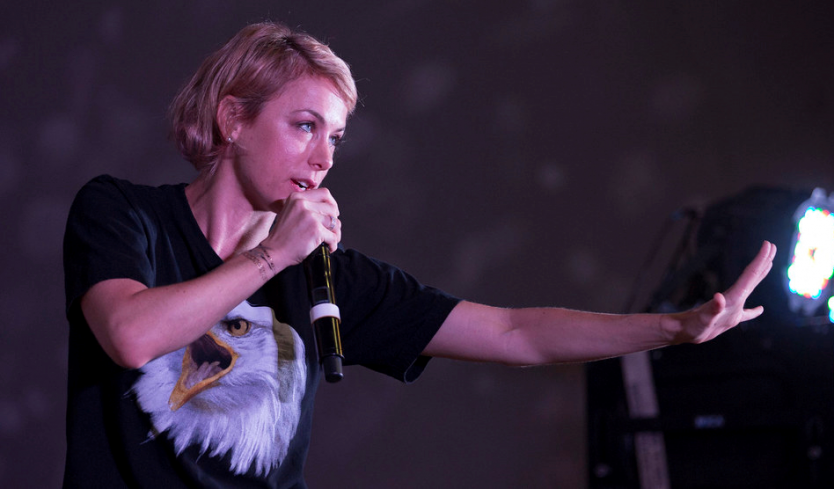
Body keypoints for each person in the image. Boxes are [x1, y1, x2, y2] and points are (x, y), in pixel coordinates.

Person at [62, 21, 776, 488]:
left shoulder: (329, 279)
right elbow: (131, 335)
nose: (322, 157)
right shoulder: (125, 214)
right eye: (305, 125)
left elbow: (513, 332)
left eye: (335, 137)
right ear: (232, 119)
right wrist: (272, 258)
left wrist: (672, 329)